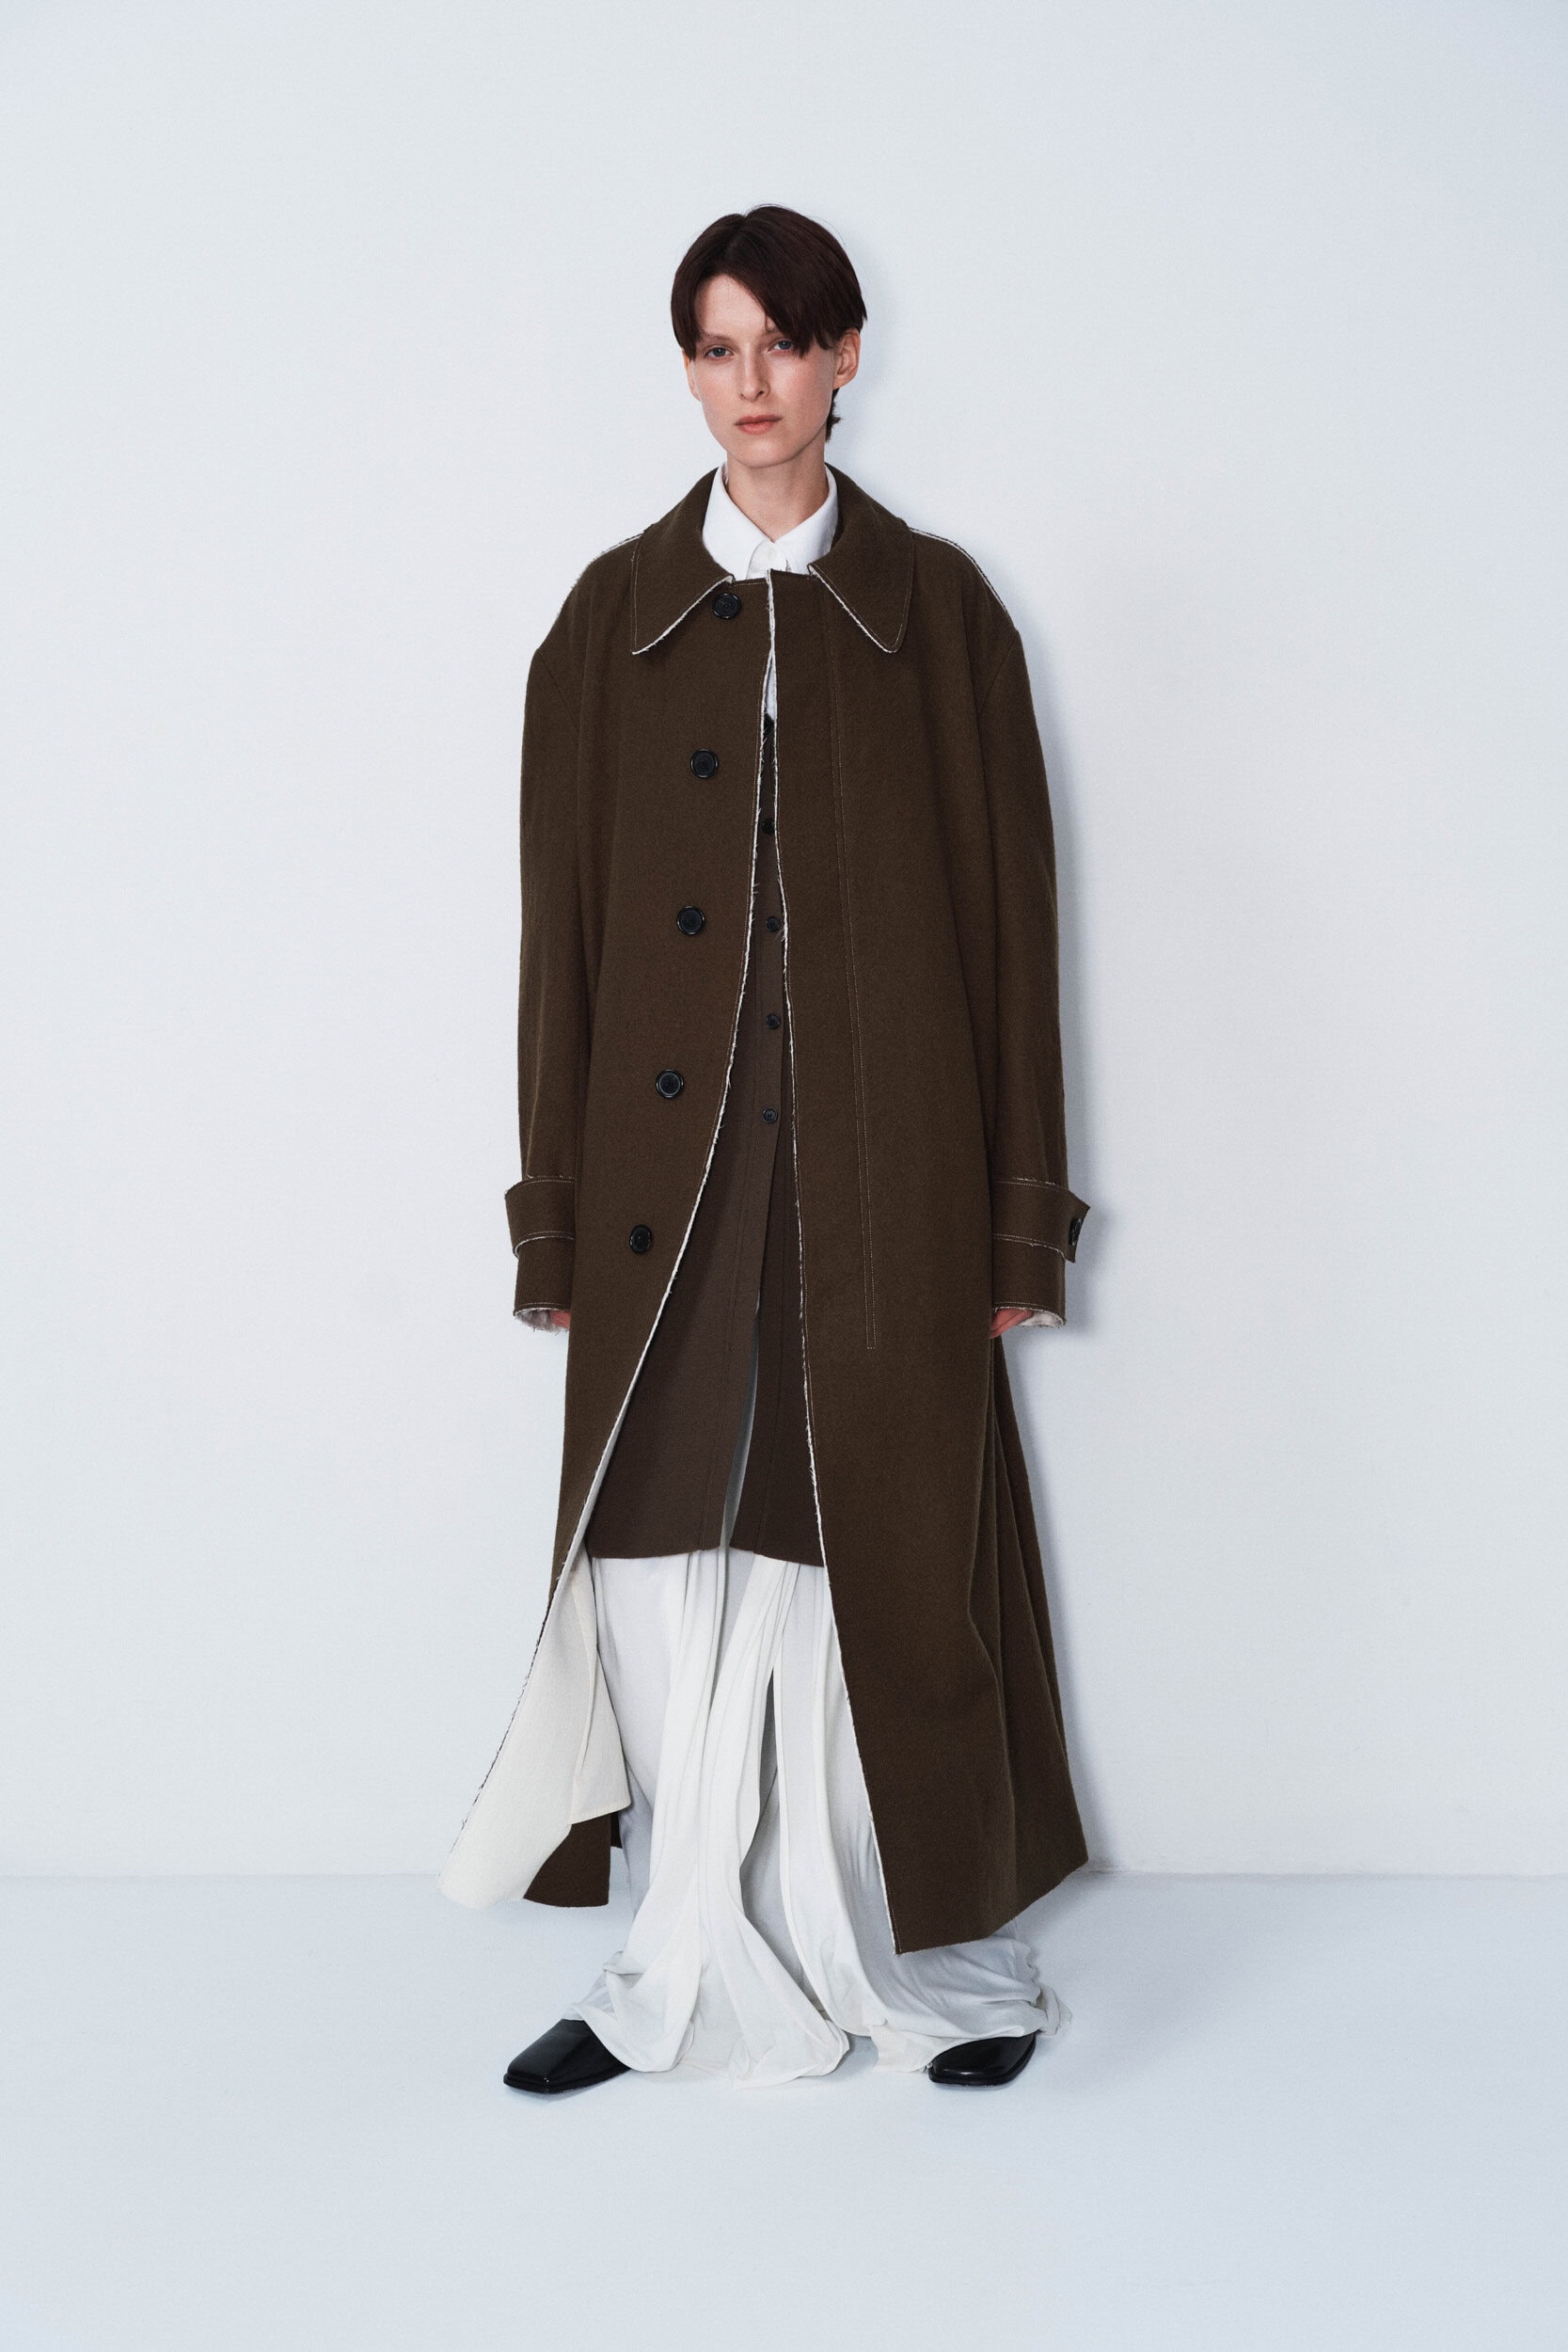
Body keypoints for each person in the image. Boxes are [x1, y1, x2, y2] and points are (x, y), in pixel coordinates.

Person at [438, 206, 1090, 2093]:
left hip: (887, 1180)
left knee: (870, 1554)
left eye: (784, 345)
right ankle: (672, 1962)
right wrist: (552, 1219)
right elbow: (561, 936)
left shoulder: (944, 614)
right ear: (691, 370)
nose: (752, 383)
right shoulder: (608, 622)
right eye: (719, 348)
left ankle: (908, 1956)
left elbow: (1015, 935)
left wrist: (1018, 1226)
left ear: (844, 358)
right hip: (670, 1196)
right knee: (654, 1557)